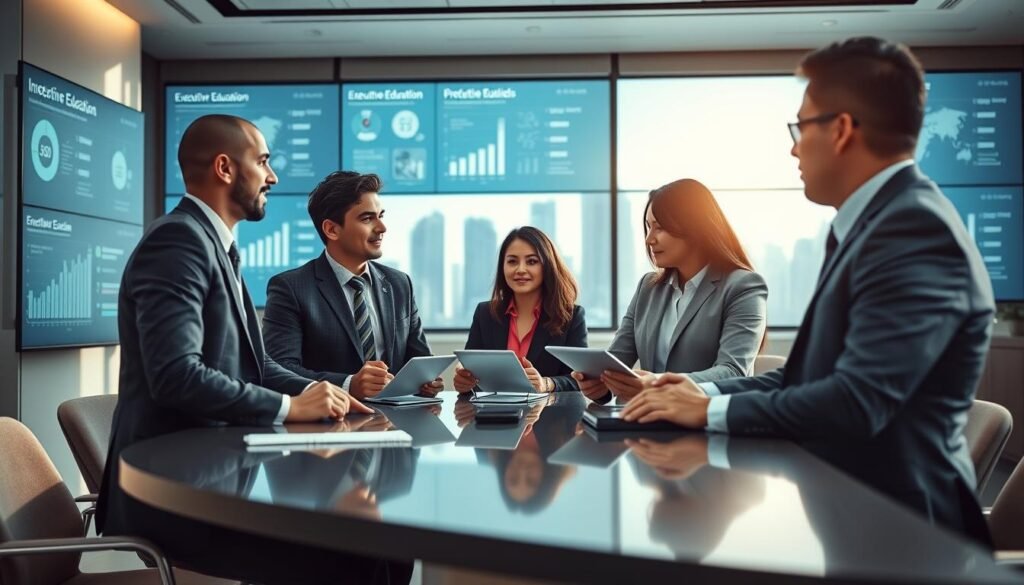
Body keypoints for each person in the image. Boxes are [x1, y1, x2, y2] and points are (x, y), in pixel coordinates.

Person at [622, 37, 995, 547]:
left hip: (905, 535)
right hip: (853, 514)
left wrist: (706, 409)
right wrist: (695, 393)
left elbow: (857, 402)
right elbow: (802, 379)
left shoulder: (912, 230)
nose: (794, 147)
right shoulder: (869, 225)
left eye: (801, 127)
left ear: (841, 130)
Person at [96, 114, 404, 584]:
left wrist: (327, 394)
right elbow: (177, 374)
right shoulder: (178, 241)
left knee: (379, 543)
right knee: (352, 549)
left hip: (213, 473)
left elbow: (256, 366)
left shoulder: (216, 247)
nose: (272, 176)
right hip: (175, 495)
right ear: (225, 168)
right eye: (262, 161)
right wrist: (288, 406)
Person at [576, 178, 768, 402]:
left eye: (659, 227)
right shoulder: (648, 288)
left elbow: (733, 372)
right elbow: (616, 361)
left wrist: (657, 384)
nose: (649, 239)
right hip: (644, 421)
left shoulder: (743, 286)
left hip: (704, 421)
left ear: (694, 227)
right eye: (648, 227)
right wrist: (599, 384)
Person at [263, 171, 440, 401]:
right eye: (367, 218)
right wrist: (348, 385)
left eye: (381, 215)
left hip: (396, 422)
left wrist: (428, 381)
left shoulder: (399, 284)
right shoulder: (290, 288)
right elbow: (279, 371)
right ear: (331, 229)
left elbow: (419, 362)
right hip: (329, 424)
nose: (382, 227)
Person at [453, 226, 587, 394]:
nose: (521, 269)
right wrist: (464, 382)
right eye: (512, 261)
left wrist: (546, 384)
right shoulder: (485, 313)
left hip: (550, 416)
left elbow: (579, 379)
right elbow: (471, 373)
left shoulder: (571, 316)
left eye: (531, 261)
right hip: (494, 415)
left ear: (547, 266)